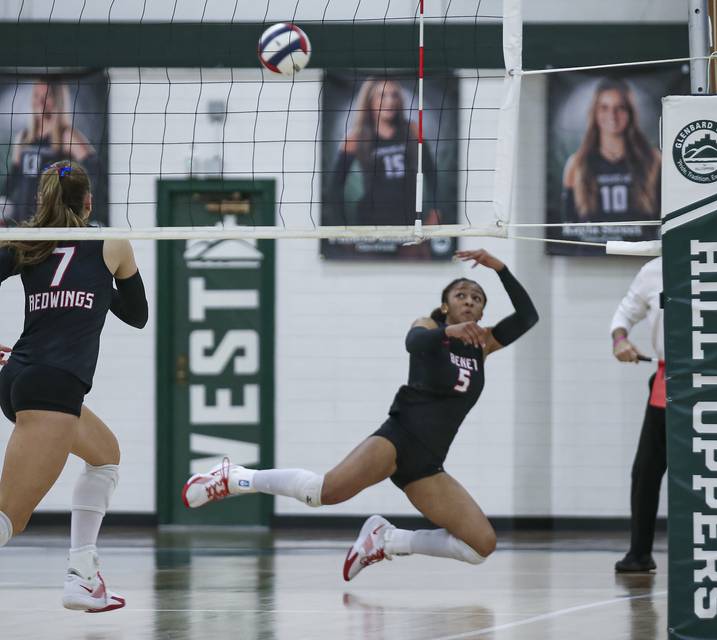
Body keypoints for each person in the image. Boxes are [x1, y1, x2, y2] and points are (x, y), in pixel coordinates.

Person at [183, 248, 538, 581]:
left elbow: (528, 317)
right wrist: (448, 332)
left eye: (476, 299)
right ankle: (234, 478)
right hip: (399, 438)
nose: (469, 301)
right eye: (461, 294)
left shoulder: (483, 345)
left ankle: (388, 540)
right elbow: (412, 344)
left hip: (429, 463)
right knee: (323, 493)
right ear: (444, 306)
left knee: (480, 545)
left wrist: (499, 268)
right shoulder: (430, 328)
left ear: (480, 312)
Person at [0, 160, 148, 611]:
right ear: (89, 201)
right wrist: (100, 283)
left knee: (105, 457)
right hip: (53, 388)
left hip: (21, 379)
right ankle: (80, 578)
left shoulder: (29, 242)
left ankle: (82, 574)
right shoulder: (111, 242)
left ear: (43, 200)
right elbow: (138, 314)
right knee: (8, 519)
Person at [327, 77, 441, 229]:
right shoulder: (356, 136)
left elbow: (431, 172)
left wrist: (435, 210)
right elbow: (335, 187)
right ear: (369, 100)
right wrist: (341, 228)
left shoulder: (412, 129)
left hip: (408, 220)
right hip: (371, 223)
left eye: (394, 95)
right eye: (382, 95)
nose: (389, 101)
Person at [610, 256, 664, 573]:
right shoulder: (653, 270)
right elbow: (624, 314)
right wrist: (620, 339)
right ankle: (640, 553)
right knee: (645, 472)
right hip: (667, 382)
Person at [561, 78, 661, 223]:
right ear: (594, 113)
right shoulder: (576, 164)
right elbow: (569, 225)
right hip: (594, 246)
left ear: (630, 112)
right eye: (604, 108)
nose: (612, 115)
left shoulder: (654, 160)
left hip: (641, 246)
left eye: (620, 107)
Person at [5, 79, 100, 225]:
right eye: (37, 96)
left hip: (53, 219)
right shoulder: (23, 137)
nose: (40, 101)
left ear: (58, 100)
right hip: (23, 220)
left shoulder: (66, 136)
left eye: (47, 96)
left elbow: (92, 171)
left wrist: (63, 174)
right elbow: (13, 182)